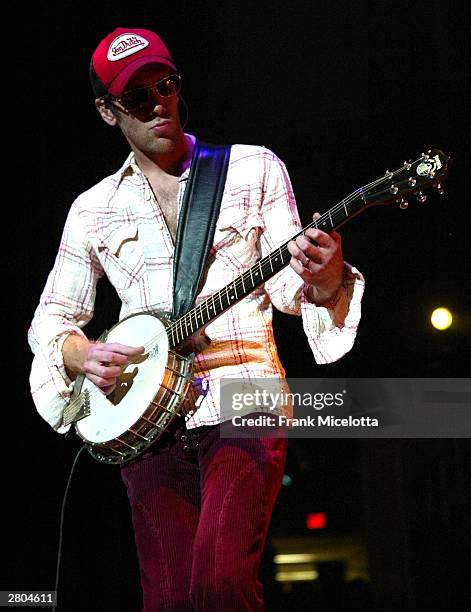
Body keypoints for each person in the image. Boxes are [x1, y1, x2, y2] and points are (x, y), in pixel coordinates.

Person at [29, 27, 364, 611]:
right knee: (167, 599)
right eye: (137, 97)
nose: (158, 102)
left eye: (167, 85)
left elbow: (292, 288)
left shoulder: (253, 168)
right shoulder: (91, 209)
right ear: (108, 113)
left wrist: (327, 275)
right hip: (146, 417)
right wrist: (84, 354)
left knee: (219, 584)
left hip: (243, 398)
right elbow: (52, 319)